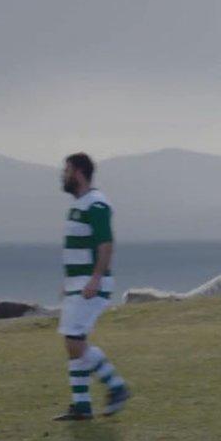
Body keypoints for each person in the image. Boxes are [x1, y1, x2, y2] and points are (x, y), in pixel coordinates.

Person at [53, 153, 130, 421]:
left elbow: (105, 244)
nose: (63, 175)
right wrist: (70, 282)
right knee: (73, 341)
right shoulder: (79, 205)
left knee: (74, 341)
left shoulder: (96, 204)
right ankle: (82, 406)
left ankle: (116, 386)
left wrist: (95, 279)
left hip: (91, 286)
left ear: (78, 173)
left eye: (66, 170)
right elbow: (79, 250)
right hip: (79, 285)